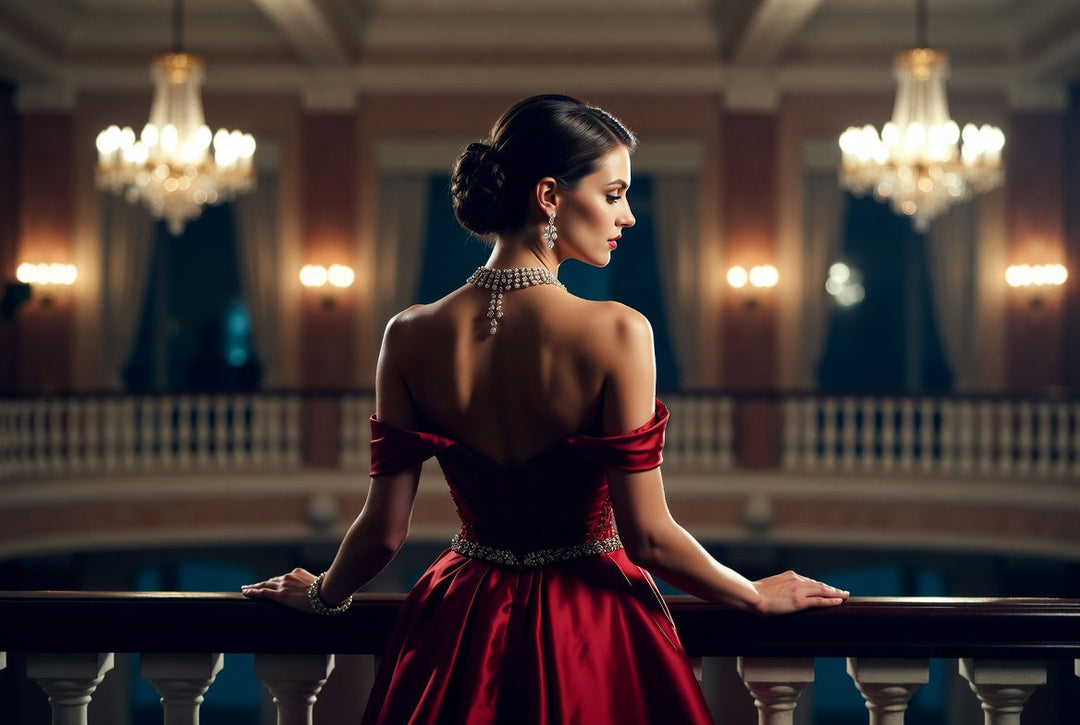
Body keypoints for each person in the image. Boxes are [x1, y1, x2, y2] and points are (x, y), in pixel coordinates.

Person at [241, 94, 849, 723]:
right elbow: (647, 538)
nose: (629, 216)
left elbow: (384, 532)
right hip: (592, 623)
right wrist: (750, 594)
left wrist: (320, 594)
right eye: (614, 194)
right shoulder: (618, 332)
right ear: (550, 196)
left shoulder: (409, 333)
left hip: (459, 622)